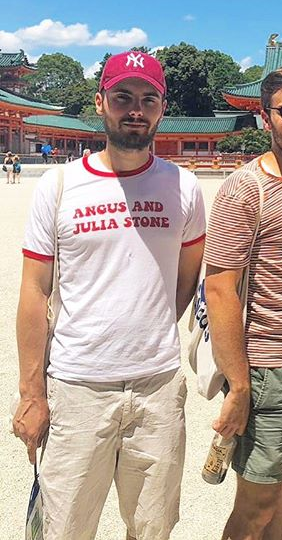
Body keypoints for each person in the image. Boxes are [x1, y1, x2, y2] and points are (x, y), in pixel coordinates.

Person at [13, 50, 206, 540]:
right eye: (123, 97)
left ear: (162, 109)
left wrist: (146, 326)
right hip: (77, 386)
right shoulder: (59, 186)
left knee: (152, 526)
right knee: (65, 527)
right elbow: (34, 291)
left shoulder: (183, 188)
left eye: (148, 99)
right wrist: (32, 394)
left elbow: (186, 279)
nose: (135, 110)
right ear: (100, 102)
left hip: (158, 386)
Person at [203, 65, 282, 540]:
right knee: (256, 506)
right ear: (265, 118)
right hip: (266, 373)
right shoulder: (246, 188)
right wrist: (238, 386)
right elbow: (219, 288)